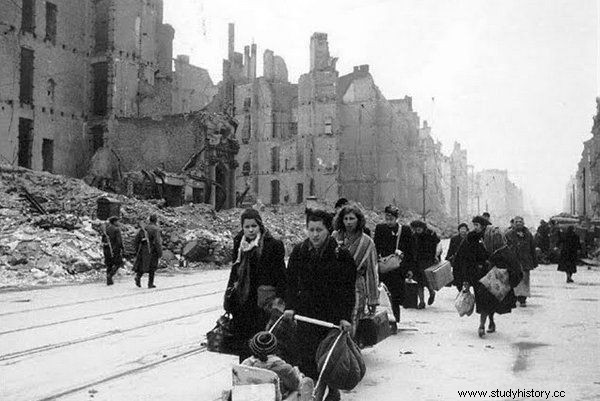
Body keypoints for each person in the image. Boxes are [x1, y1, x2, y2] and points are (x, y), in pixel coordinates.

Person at [285, 209, 355, 401]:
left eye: (319, 230)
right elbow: (290, 282)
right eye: (311, 229)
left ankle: (329, 390)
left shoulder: (341, 256)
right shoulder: (299, 252)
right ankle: (316, 394)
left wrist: (345, 317)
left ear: (329, 230)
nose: (315, 235)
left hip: (330, 319)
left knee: (327, 358)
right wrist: (290, 307)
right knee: (308, 359)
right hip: (306, 315)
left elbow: (347, 290)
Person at [224, 208, 287, 363]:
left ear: (260, 225)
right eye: (247, 227)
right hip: (243, 302)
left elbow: (280, 275)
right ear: (242, 227)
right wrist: (228, 297)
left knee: (261, 343)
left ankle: (262, 377)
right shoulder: (240, 243)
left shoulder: (273, 245)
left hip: (263, 303)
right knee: (243, 344)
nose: (251, 230)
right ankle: (245, 376)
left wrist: (281, 301)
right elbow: (235, 271)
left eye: (254, 226)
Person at [455, 216, 520, 338]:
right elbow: (463, 258)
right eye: (474, 225)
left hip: (491, 274)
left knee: (489, 299)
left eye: (477, 225)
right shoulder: (470, 238)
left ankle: (488, 321)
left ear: (483, 226)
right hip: (475, 274)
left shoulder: (493, 237)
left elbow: (503, 253)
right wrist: (464, 278)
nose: (475, 228)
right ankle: (483, 324)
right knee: (482, 300)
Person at [332, 203, 379, 335]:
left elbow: (371, 272)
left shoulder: (367, 242)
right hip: (335, 285)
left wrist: (373, 299)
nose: (348, 222)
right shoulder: (334, 237)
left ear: (359, 220)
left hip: (356, 286)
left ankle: (349, 350)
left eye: (352, 219)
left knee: (351, 322)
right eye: (345, 219)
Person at [373, 205, 413, 322]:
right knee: (384, 293)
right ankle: (388, 319)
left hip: (398, 268)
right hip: (384, 267)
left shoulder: (404, 230)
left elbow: (410, 250)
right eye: (387, 218)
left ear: (396, 218)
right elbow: (376, 247)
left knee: (396, 295)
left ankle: (395, 319)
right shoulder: (380, 228)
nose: (389, 221)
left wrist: (409, 269)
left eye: (391, 218)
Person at [242, 331, 303, 399]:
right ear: (276, 349)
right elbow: (295, 386)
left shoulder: (244, 365)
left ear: (252, 348)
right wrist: (298, 374)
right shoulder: (285, 369)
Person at [505, 216, 538, 307]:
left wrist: (534, 262)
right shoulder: (508, 234)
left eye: (520, 221)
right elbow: (504, 248)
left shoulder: (528, 234)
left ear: (523, 223)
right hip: (513, 262)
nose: (519, 223)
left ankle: (523, 299)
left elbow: (532, 249)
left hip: (525, 262)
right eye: (517, 222)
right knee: (513, 280)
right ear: (513, 224)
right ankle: (514, 297)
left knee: (524, 280)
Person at [409, 220, 440, 308]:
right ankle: (421, 301)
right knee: (418, 282)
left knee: (427, 280)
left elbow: (438, 244)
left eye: (419, 229)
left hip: (428, 261)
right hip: (416, 261)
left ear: (423, 228)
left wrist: (436, 255)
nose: (417, 231)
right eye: (415, 229)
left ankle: (431, 292)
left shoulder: (431, 234)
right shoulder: (413, 235)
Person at [133, 214, 163, 288]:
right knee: (152, 267)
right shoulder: (155, 229)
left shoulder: (144, 228)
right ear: (156, 220)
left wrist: (137, 249)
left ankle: (138, 277)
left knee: (143, 265)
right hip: (152, 250)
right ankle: (150, 283)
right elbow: (157, 242)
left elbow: (137, 240)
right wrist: (160, 252)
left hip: (143, 249)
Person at [102, 216, 123, 286]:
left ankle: (109, 280)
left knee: (109, 264)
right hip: (115, 249)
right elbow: (119, 241)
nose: (118, 223)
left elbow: (103, 239)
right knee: (118, 263)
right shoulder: (117, 229)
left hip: (107, 249)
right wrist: (122, 248)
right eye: (117, 221)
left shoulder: (106, 229)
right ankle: (110, 275)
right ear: (114, 222)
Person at [446, 223, 469, 289]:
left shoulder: (469, 238)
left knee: (466, 279)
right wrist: (448, 258)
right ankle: (460, 291)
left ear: (467, 230)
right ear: (459, 230)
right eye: (461, 229)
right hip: (457, 262)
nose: (463, 230)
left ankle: (466, 293)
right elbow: (450, 249)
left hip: (466, 262)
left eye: (464, 229)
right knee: (458, 280)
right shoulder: (454, 239)